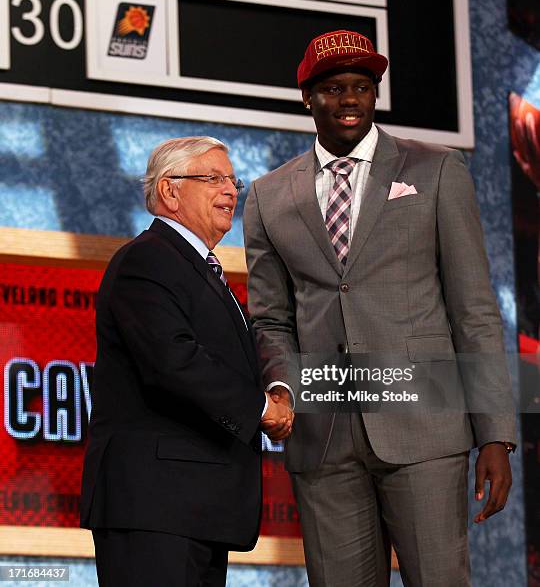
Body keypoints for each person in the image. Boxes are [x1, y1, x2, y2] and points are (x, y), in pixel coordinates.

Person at [243, 30, 516, 586]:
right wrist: (281, 387)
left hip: (424, 426)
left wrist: (495, 433)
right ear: (307, 97)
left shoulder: (436, 169)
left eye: (363, 87)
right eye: (335, 88)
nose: (350, 99)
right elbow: (270, 318)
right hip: (324, 436)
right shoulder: (269, 195)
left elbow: (474, 309)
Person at [80, 136, 292, 587]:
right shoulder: (148, 259)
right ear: (170, 191)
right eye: (213, 179)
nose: (232, 191)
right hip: (155, 508)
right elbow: (173, 360)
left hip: (194, 509)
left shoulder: (196, 267)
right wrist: (262, 409)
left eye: (233, 181)